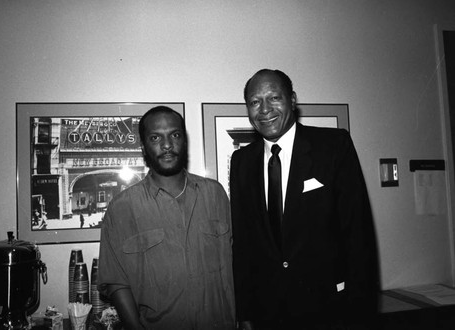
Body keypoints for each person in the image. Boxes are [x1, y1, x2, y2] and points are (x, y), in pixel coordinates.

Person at [230, 69, 379, 330]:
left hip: (330, 310)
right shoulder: (241, 161)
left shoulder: (333, 146)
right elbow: (243, 245)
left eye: (274, 98)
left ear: (293, 100)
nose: (264, 109)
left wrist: (361, 313)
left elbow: (359, 234)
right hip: (268, 314)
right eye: (255, 102)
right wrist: (244, 313)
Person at [98, 106, 235, 330]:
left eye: (175, 135)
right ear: (143, 146)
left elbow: (238, 261)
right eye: (155, 137)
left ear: (184, 141)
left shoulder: (215, 194)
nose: (167, 145)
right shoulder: (122, 208)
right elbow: (116, 281)